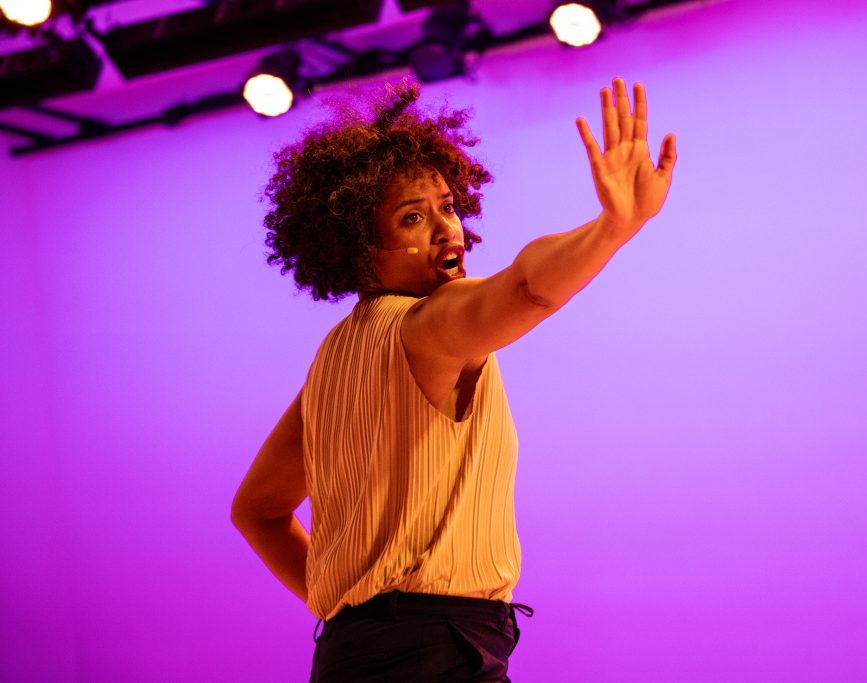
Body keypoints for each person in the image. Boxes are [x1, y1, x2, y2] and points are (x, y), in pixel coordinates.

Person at [230, 76, 677, 682]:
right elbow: (524, 286)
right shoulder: (427, 323)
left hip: (356, 656)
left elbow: (258, 509)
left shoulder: (335, 358)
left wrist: (350, 605)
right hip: (434, 652)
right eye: (413, 217)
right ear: (361, 251)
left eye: (447, 206)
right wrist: (612, 228)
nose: (448, 229)